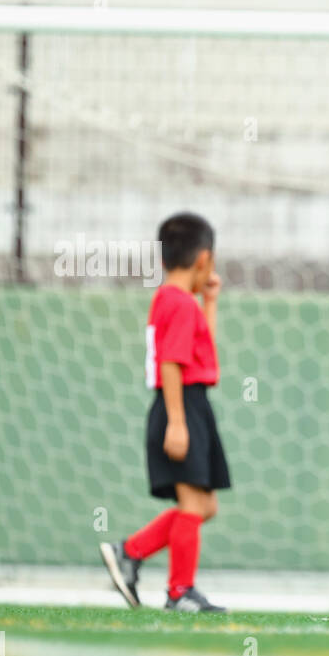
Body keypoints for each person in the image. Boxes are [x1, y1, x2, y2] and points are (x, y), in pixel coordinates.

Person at [99, 212, 229, 613]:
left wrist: (210, 301)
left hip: (191, 404)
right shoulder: (177, 303)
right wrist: (176, 421)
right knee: (193, 507)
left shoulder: (177, 301)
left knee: (205, 506)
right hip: (182, 404)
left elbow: (198, 347)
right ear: (204, 259)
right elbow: (171, 362)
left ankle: (131, 550)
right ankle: (179, 591)